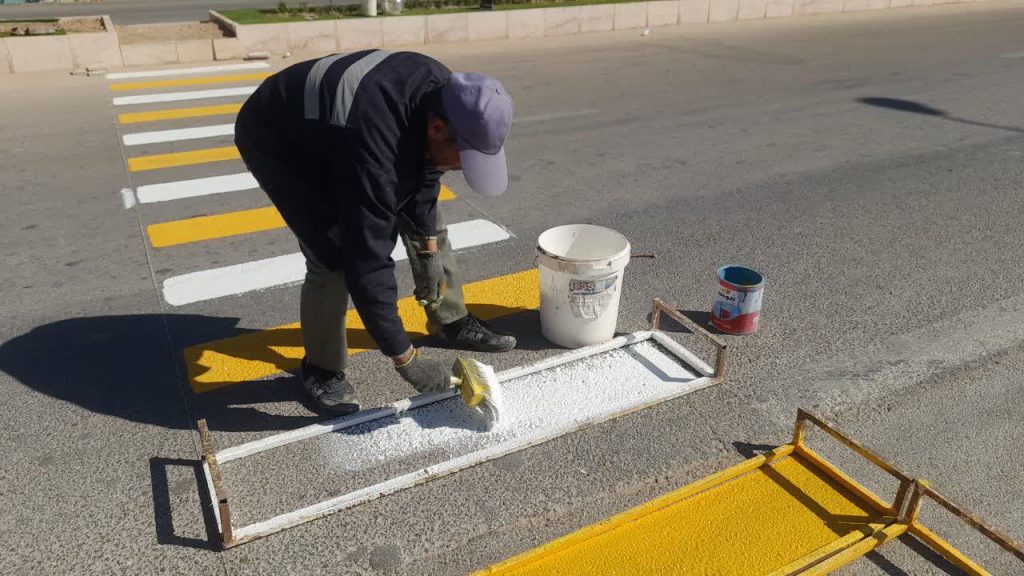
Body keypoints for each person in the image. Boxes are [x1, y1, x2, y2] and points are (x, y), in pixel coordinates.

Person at [235, 50, 517, 416]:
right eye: (465, 157)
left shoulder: (448, 95)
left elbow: (427, 174)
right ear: (436, 128)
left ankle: (450, 320)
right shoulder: (374, 143)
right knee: (332, 254)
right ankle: (321, 369)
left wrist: (428, 249)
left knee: (431, 224)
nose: (464, 169)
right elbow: (367, 258)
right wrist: (406, 359)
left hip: (341, 131)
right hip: (281, 140)